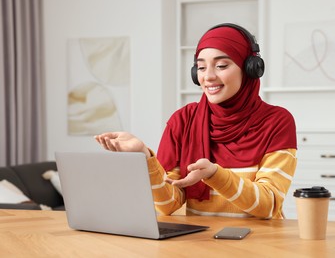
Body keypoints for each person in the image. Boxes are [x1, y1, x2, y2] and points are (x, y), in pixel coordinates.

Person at [95, 23, 297, 219]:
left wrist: (215, 175)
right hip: (202, 243)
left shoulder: (277, 121)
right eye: (200, 67)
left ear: (250, 69)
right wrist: (145, 157)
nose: (208, 76)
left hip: (261, 246)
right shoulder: (183, 120)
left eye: (221, 65)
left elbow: (268, 205)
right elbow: (168, 205)